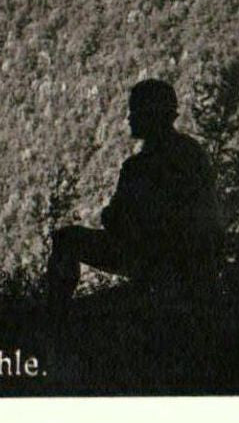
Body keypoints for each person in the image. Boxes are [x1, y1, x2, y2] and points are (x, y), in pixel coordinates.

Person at [46, 79, 221, 318]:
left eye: (134, 111)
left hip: (152, 259)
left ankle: (55, 313)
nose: (129, 118)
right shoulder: (192, 152)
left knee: (66, 239)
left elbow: (114, 219)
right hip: (195, 262)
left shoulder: (140, 166)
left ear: (150, 116)